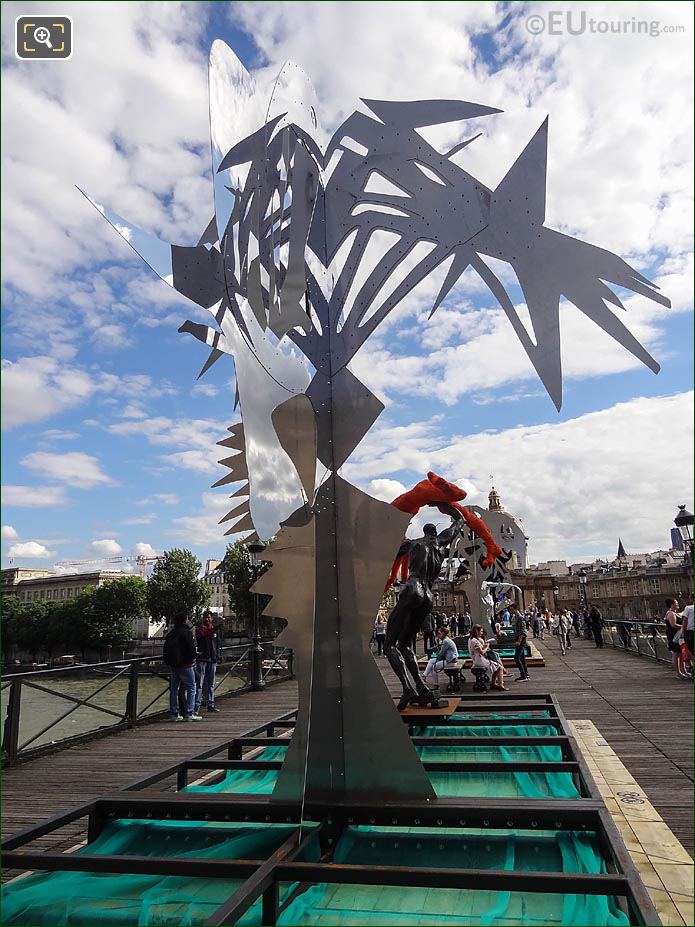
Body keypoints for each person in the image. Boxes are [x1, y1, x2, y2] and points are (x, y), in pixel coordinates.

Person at [164, 614, 201, 722]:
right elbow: (191, 649)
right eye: (187, 618)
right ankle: (189, 712)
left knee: (174, 689)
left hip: (173, 665)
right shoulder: (187, 633)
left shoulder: (171, 633)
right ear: (185, 621)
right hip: (186, 665)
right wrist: (195, 655)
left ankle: (174, 713)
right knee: (191, 687)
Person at [195, 611, 221, 713]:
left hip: (212, 659)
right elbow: (204, 634)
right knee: (199, 684)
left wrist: (218, 655)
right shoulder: (199, 629)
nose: (207, 619)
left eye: (209, 617)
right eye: (205, 617)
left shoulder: (214, 630)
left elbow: (217, 643)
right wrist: (216, 628)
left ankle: (211, 704)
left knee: (210, 684)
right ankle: (197, 706)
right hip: (202, 659)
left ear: (212, 618)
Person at [468, 624, 506, 690]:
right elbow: (482, 652)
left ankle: (494, 684)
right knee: (500, 667)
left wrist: (484, 646)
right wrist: (487, 647)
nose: (482, 633)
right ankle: (500, 685)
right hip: (480, 661)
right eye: (481, 631)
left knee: (497, 666)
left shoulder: (472, 640)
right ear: (477, 631)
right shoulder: (474, 641)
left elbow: (479, 649)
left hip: (478, 659)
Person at [423, 626, 459, 690]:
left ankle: (436, 684)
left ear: (443, 633)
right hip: (451, 659)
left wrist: (437, 656)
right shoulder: (446, 640)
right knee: (431, 661)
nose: (438, 635)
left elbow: (441, 654)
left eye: (439, 633)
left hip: (451, 661)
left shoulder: (446, 641)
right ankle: (424, 676)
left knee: (433, 667)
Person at [510, 604, 529, 681]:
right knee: (522, 658)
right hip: (520, 638)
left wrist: (519, 641)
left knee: (517, 658)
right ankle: (526, 674)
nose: (510, 611)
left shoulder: (520, 617)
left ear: (515, 609)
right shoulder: (515, 617)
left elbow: (522, 630)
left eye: (511, 609)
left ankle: (523, 675)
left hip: (521, 639)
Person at [664, 598, 682, 676]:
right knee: (676, 653)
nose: (677, 604)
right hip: (674, 635)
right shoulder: (671, 613)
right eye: (676, 603)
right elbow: (673, 625)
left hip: (675, 635)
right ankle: (678, 672)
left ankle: (682, 671)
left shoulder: (672, 612)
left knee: (679, 653)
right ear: (672, 604)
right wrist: (683, 626)